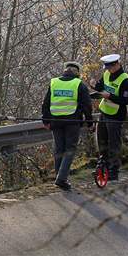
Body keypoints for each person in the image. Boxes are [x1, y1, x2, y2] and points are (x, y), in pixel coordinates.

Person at [41, 61, 93, 190]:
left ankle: (59, 177)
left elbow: (46, 103)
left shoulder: (54, 82)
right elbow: (87, 106)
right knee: (69, 149)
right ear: (77, 73)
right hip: (72, 122)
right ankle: (61, 179)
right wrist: (90, 123)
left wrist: (46, 121)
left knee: (59, 149)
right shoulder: (79, 84)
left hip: (55, 121)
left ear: (65, 70)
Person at [91, 54, 128, 181]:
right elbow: (101, 86)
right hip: (104, 113)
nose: (108, 70)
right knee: (101, 141)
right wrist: (94, 85)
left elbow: (125, 100)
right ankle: (103, 168)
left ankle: (113, 171)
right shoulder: (107, 74)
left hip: (116, 116)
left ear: (117, 65)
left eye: (110, 67)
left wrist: (109, 96)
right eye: (106, 68)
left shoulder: (125, 80)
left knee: (114, 144)